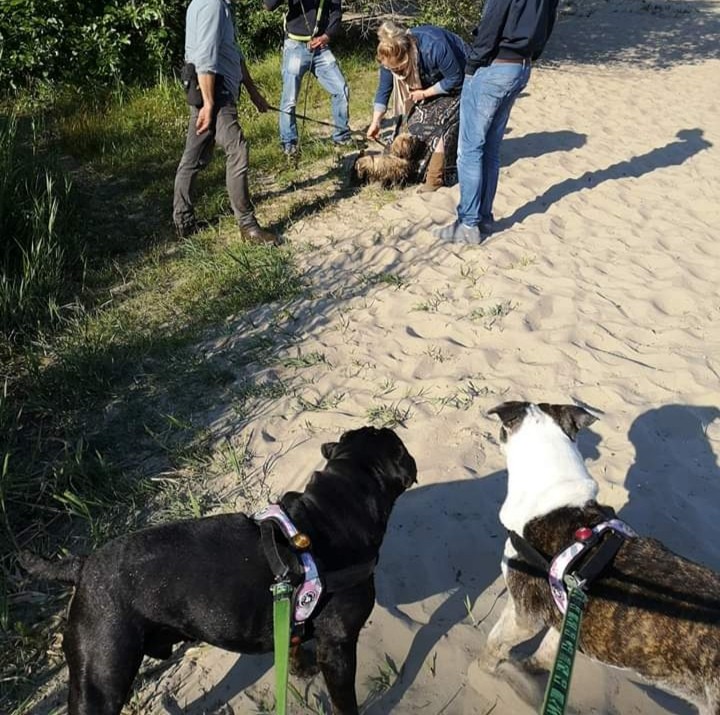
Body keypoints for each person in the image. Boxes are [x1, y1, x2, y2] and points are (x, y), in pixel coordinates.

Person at [434, 0, 560, 242]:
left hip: (496, 66)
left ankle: (468, 223)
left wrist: (472, 65)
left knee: (470, 149)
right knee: (490, 148)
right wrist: (532, 54)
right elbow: (550, 17)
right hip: (520, 66)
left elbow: (492, 21)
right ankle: (483, 219)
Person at [173, 0, 276, 244]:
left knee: (193, 157)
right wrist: (209, 105)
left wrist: (253, 92)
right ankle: (248, 226)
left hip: (210, 89)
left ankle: (183, 222)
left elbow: (232, 52)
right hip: (214, 91)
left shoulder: (220, 5)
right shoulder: (213, 5)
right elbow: (205, 59)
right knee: (237, 150)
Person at [367, 21, 470, 193]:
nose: (397, 74)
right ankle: (413, 168)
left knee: (440, 123)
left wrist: (424, 93)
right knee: (413, 123)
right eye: (393, 70)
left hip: (462, 82)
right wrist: (376, 121)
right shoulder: (388, 56)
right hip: (429, 84)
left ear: (407, 55)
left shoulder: (434, 46)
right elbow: (384, 89)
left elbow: (455, 78)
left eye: (400, 70)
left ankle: (435, 177)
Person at [263, 0, 351, 156]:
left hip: (320, 47)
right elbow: (269, 5)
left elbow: (336, 12)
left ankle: (342, 137)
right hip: (295, 46)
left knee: (341, 89)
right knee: (289, 99)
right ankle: (289, 144)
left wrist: (327, 36)